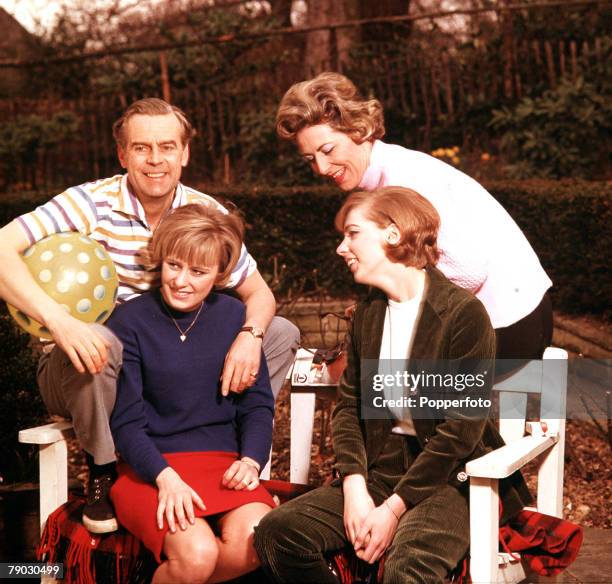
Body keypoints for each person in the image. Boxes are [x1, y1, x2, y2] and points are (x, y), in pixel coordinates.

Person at [0, 98, 299, 533]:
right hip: (82, 366)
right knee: (104, 343)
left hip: (165, 365)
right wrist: (61, 322)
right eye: (141, 148)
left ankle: (228, 440)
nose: (155, 159)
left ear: (185, 153)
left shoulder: (205, 213)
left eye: (167, 146)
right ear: (123, 155)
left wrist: (249, 337)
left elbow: (260, 294)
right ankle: (102, 469)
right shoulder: (89, 203)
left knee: (280, 332)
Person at [254, 187, 530, 583]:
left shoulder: (462, 314)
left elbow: (460, 431)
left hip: (451, 479)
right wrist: (354, 489)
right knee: (278, 535)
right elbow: (349, 406)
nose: (340, 248)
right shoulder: (369, 313)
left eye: (352, 233)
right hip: (380, 473)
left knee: (407, 567)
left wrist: (392, 509)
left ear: (393, 234)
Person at [276, 72, 552, 362]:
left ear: (358, 129)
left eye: (328, 149)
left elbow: (470, 271)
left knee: (382, 380)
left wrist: (395, 308)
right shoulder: (385, 176)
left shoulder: (404, 180)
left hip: (511, 324)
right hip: (499, 321)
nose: (320, 167)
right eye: (310, 159)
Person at [108, 203, 274, 583]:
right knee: (197, 555)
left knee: (259, 540)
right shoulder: (129, 321)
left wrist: (251, 461)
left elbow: (257, 405)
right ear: (161, 262)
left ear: (218, 274)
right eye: (174, 265)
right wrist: (164, 477)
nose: (182, 281)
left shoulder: (236, 318)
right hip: (151, 469)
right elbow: (127, 422)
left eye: (198, 271)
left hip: (223, 466)